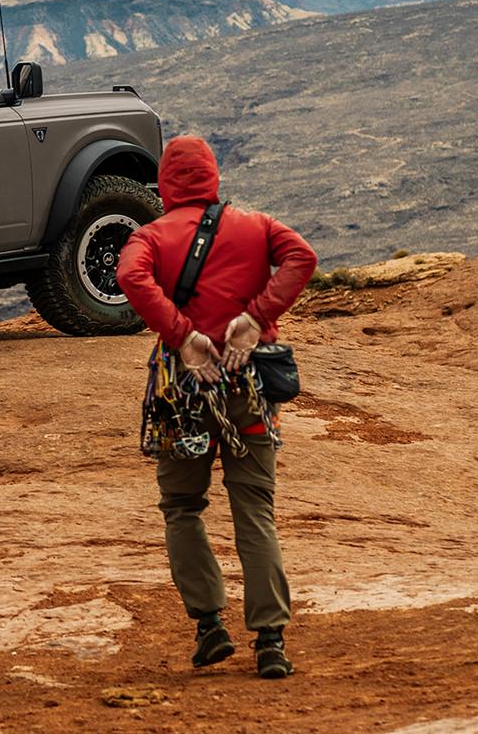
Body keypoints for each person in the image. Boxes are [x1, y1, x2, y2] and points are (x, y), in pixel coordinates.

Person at [115, 135, 318, 680]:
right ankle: (270, 641)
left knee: (183, 507)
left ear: (164, 185)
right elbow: (303, 256)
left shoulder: (151, 236)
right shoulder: (256, 227)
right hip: (247, 386)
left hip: (181, 393)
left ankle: (210, 629)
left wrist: (181, 335)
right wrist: (254, 318)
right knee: (254, 508)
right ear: (213, 177)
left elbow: (130, 276)